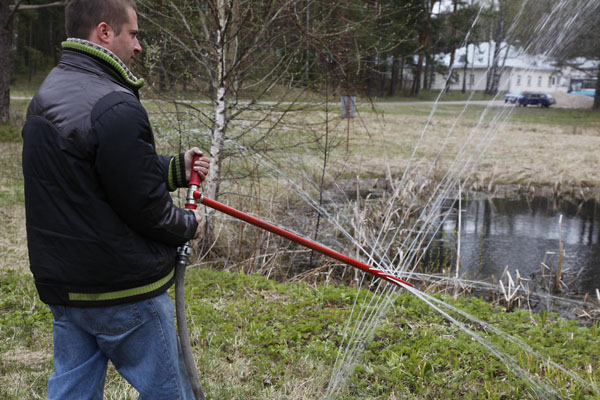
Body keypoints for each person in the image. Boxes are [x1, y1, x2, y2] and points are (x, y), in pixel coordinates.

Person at [21, 0, 209, 398]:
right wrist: (188, 225)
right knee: (171, 393)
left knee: (73, 390)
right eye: (134, 33)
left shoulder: (49, 92)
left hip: (67, 289)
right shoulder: (115, 104)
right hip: (122, 292)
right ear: (105, 32)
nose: (138, 46)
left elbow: (96, 174)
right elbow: (146, 208)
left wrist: (174, 168)